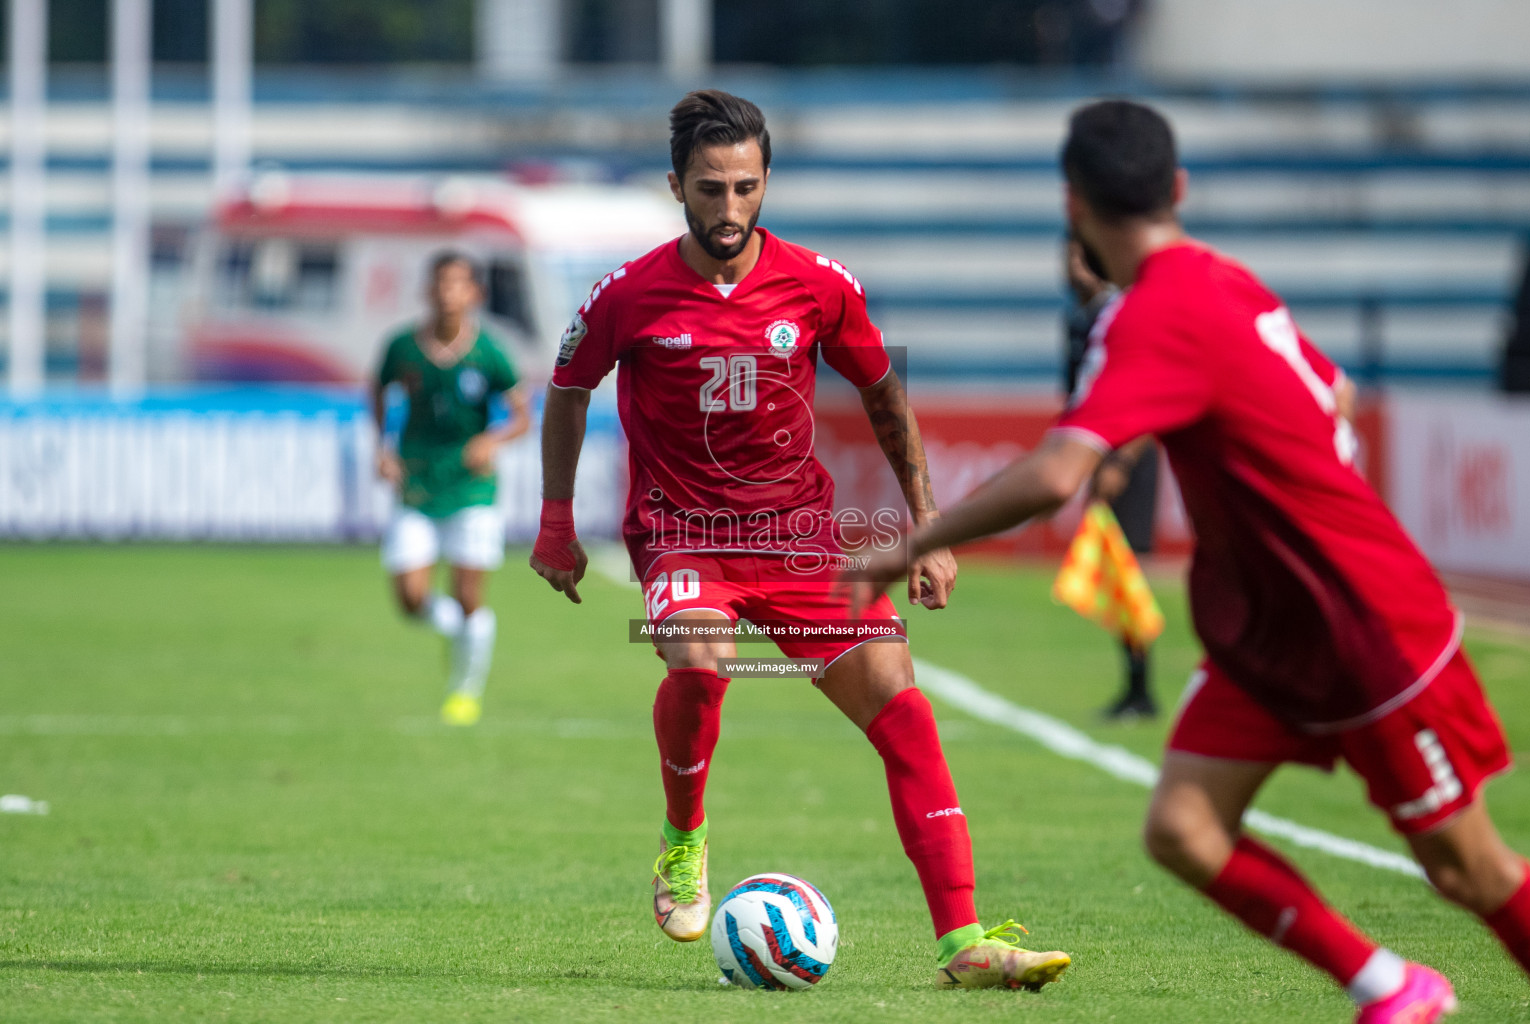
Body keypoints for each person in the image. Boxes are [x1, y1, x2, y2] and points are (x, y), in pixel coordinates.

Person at [853, 99, 1530, 1022]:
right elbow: (1333, 395)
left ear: (1074, 208)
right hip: (1273, 628)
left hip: (1362, 621)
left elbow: (1058, 475)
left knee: (1470, 868)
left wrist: (906, 546)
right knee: (1184, 827)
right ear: (1177, 189)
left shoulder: (1146, 316)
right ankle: (1394, 989)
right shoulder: (1229, 281)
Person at [529, 89, 1070, 991]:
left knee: (905, 714)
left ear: (767, 180)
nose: (730, 208)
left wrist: (929, 530)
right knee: (701, 664)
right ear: (676, 186)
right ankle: (684, 839)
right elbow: (566, 391)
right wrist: (555, 521)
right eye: (710, 188)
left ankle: (964, 942)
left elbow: (886, 399)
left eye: (746, 186)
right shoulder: (627, 294)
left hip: (800, 542)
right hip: (682, 533)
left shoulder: (821, 285)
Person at [373, 252, 531, 726]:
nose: (448, 292)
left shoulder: (490, 352)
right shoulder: (402, 347)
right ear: (428, 290)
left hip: (471, 489)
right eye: (440, 282)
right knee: (409, 597)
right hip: (418, 484)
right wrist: (383, 446)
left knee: (468, 595)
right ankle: (460, 633)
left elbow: (523, 416)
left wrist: (491, 438)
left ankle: (465, 690)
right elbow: (377, 391)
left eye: (458, 284)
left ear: (474, 294)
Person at [1064, 236, 1160, 719]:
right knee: (1114, 571)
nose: (1069, 269)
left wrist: (1119, 464)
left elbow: (1146, 399)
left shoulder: (1118, 316)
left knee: (1126, 574)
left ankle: (1142, 687)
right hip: (1100, 458)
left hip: (1125, 461)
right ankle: (1134, 685)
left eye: (1078, 259)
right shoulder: (1080, 319)